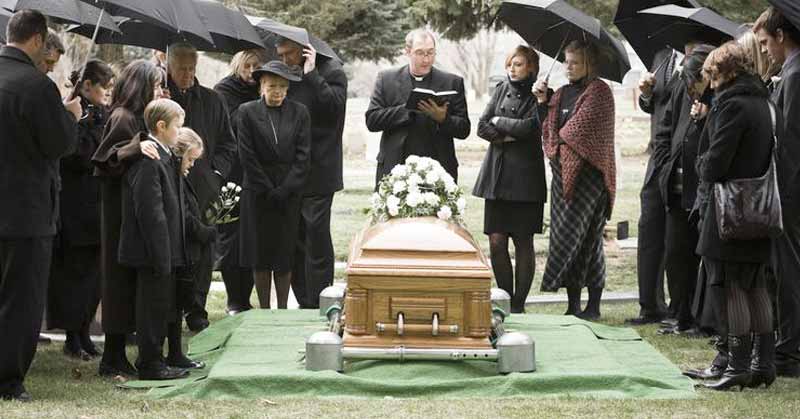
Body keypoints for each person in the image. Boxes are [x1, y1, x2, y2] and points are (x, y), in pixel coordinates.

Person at [0, 9, 81, 401]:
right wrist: (71, 116)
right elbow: (59, 144)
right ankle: (8, 379)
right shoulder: (36, 86)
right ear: (36, 39)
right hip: (26, 210)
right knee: (20, 299)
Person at [693, 42, 776, 391]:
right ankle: (763, 363)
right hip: (760, 207)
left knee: (731, 286)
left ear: (725, 73)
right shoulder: (763, 102)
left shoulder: (731, 105)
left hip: (730, 209)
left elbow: (715, 164)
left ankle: (738, 366)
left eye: (712, 75)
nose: (710, 84)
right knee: (755, 285)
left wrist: (701, 160)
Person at [534, 40, 616, 320]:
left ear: (589, 65)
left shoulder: (600, 92)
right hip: (561, 177)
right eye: (566, 62)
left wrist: (556, 139)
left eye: (575, 63)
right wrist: (542, 102)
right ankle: (573, 304)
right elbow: (547, 129)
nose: (569, 68)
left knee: (588, 239)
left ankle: (593, 305)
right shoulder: (561, 94)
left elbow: (576, 134)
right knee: (565, 236)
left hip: (590, 179)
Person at [92, 59, 163, 378]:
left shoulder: (137, 117)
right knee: (117, 279)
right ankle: (112, 355)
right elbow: (107, 159)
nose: (160, 91)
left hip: (130, 209)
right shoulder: (123, 117)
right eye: (156, 85)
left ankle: (117, 353)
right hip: (118, 212)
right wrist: (138, 145)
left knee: (125, 279)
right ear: (141, 86)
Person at [167, 42, 237, 331]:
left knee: (205, 247)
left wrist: (215, 173)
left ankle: (197, 309)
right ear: (170, 67)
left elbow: (228, 144)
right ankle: (172, 308)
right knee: (176, 246)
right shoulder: (162, 98)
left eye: (191, 69)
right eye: (181, 69)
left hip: (205, 185)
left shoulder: (212, 100)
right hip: (170, 184)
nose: (187, 74)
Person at [47, 60, 115, 361]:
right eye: (104, 87)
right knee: (74, 274)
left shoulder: (104, 114)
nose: (108, 93)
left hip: (98, 202)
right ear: (87, 85)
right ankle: (72, 336)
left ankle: (85, 330)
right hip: (75, 205)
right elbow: (74, 154)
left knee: (94, 275)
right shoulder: (71, 112)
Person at [118, 98, 190, 381]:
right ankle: (150, 363)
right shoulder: (149, 161)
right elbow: (151, 214)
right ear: (161, 126)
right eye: (177, 127)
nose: (180, 132)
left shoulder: (164, 155)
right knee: (151, 308)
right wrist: (162, 254)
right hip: (151, 251)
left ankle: (158, 359)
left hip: (165, 249)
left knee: (161, 306)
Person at [274, 37, 348, 309]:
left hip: (320, 169)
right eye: (280, 55)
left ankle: (320, 299)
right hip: (292, 170)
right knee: (295, 239)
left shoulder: (332, 72)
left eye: (289, 54)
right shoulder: (288, 75)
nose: (285, 60)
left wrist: (312, 75)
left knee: (316, 237)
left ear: (305, 51)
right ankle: (304, 300)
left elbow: (333, 109)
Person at [472, 45, 546, 314]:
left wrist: (499, 121)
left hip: (526, 178)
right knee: (496, 241)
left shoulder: (541, 94)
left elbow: (531, 127)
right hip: (497, 175)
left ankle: (519, 305)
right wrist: (506, 136)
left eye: (519, 64)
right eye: (510, 64)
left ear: (531, 67)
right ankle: (505, 300)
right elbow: (482, 126)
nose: (512, 69)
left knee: (523, 241)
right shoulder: (501, 88)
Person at [652, 45, 716, 337]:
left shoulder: (717, 98)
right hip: (676, 186)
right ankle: (679, 313)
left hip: (702, 188)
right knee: (676, 254)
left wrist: (705, 119)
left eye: (695, 82)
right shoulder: (682, 89)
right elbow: (664, 129)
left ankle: (701, 318)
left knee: (703, 257)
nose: (691, 88)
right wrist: (665, 164)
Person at [238, 61, 310, 309]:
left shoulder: (300, 112)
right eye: (271, 86)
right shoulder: (247, 112)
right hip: (257, 194)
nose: (277, 91)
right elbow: (246, 155)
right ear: (261, 86)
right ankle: (264, 309)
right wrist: (267, 188)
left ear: (288, 88)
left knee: (284, 252)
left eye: (281, 86)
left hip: (289, 194)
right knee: (260, 254)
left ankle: (282, 308)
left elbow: (303, 155)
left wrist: (285, 189)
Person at [755, 6, 800, 378]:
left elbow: (790, 144)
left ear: (781, 36)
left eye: (766, 41)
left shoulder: (796, 74)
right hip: (788, 189)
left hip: (790, 191)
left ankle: (790, 349)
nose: (765, 50)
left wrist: (781, 196)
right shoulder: (790, 72)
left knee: (789, 271)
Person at [365, 28, 470, 186]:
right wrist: (407, 109)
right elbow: (372, 121)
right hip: (395, 167)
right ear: (407, 51)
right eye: (420, 53)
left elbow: (464, 130)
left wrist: (443, 119)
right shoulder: (386, 79)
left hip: (439, 169)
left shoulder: (453, 82)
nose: (426, 59)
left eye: (431, 52)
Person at [626, 47, 681, 325]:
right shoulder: (661, 57)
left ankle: (680, 309)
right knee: (649, 229)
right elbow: (652, 105)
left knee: (676, 237)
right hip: (657, 157)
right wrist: (646, 93)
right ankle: (650, 306)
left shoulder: (699, 56)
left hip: (681, 156)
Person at [214, 49, 267, 315]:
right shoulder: (224, 91)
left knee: (252, 237)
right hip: (231, 176)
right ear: (237, 65)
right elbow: (231, 125)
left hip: (255, 174)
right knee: (230, 237)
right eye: (247, 65)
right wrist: (257, 105)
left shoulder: (261, 89)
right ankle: (234, 299)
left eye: (256, 65)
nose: (252, 71)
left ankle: (245, 298)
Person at [167, 127, 214, 370]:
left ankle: (176, 353)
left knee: (177, 305)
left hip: (184, 249)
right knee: (173, 304)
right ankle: (171, 354)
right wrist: (204, 232)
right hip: (176, 250)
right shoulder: (172, 176)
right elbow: (183, 215)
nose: (192, 165)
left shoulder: (179, 177)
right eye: (190, 159)